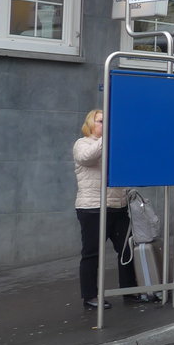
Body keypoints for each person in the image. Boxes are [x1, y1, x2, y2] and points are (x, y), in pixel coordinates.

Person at [73, 109, 144, 310]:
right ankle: (90, 296)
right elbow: (87, 157)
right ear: (90, 124)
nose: (105, 124)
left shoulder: (114, 145)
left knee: (127, 249)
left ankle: (130, 291)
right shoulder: (82, 143)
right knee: (92, 253)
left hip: (118, 207)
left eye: (108, 122)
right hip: (93, 208)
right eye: (101, 121)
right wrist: (109, 137)